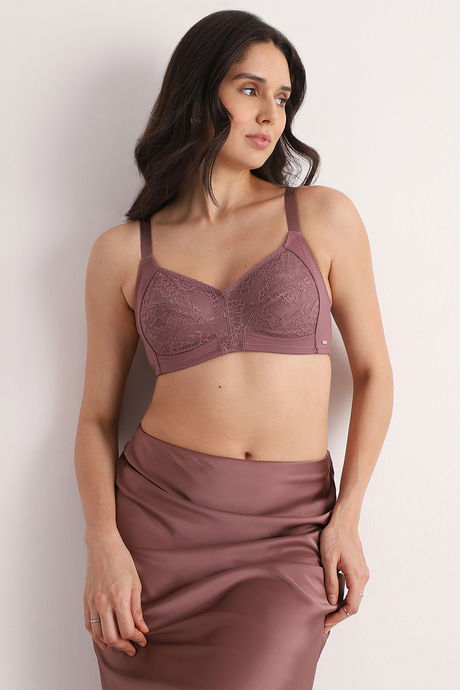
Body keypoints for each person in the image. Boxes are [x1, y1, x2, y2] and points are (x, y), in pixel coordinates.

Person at [74, 9, 393, 690]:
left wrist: (349, 516)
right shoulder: (122, 252)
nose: (271, 114)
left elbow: (374, 373)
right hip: (157, 528)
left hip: (287, 534)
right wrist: (103, 545)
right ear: (198, 92)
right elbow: (97, 417)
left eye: (283, 97)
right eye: (249, 90)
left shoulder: (322, 216)